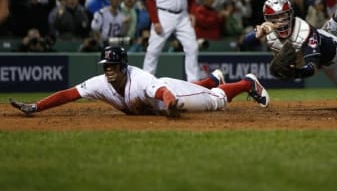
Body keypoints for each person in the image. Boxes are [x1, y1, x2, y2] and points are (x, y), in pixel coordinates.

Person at [10, 46, 269, 118]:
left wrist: (170, 105)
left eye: (113, 66)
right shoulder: (101, 83)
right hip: (160, 96)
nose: (109, 70)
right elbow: (69, 94)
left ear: (122, 66)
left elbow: (165, 91)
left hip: (166, 95)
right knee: (203, 90)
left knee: (217, 102)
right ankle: (212, 79)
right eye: (106, 66)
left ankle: (247, 83)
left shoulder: (140, 78)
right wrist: (36, 107)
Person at [244, 0, 337, 109]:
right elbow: (245, 41)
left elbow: (312, 68)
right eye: (274, 17)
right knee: (316, 38)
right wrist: (257, 34)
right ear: (267, 19)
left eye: (283, 15)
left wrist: (294, 73)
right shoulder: (269, 32)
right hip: (315, 45)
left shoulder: (302, 30)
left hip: (333, 56)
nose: (280, 21)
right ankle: (334, 24)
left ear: (290, 14)